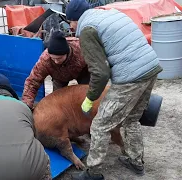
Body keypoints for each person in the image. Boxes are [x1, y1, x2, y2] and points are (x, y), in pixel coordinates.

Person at [65, 0, 163, 179]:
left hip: (131, 77)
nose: (70, 26)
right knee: (132, 119)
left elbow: (100, 72)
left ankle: (92, 172)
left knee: (100, 125)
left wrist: (89, 98)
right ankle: (135, 161)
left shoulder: (87, 29)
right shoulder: (110, 14)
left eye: (69, 21)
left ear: (75, 19)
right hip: (151, 67)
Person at [22, 30, 90, 109]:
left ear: (67, 53)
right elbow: (33, 82)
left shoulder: (81, 49)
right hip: (59, 77)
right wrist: (27, 105)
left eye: (59, 58)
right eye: (53, 58)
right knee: (56, 103)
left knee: (86, 96)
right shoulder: (45, 60)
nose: (56, 61)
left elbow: (97, 65)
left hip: (83, 72)